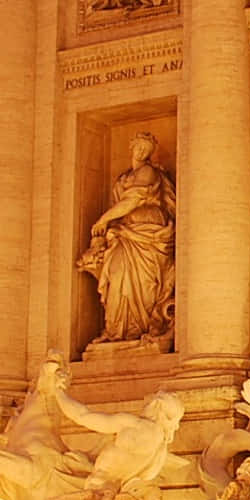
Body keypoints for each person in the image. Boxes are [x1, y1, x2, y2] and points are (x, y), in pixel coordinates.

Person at [78, 133, 177, 345]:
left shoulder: (149, 172)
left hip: (149, 235)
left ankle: (140, 328)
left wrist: (103, 220)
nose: (142, 152)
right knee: (116, 273)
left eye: (146, 149)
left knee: (145, 282)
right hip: (125, 234)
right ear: (131, 147)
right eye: (139, 147)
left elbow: (133, 200)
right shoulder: (123, 178)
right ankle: (116, 329)